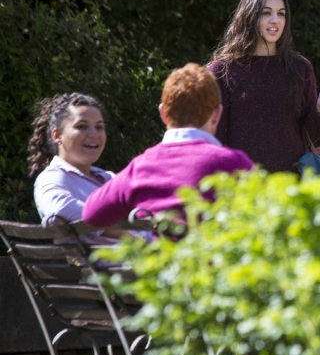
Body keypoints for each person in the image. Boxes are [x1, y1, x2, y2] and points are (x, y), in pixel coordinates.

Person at [82, 63, 254, 230]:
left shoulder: (141, 167)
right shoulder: (234, 164)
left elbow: (91, 214)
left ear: (163, 114)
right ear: (217, 115)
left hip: (159, 257)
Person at [207, 0, 320, 173]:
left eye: (281, 14)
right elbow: (215, 137)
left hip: (289, 186)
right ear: (249, 17)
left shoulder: (300, 68)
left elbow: (308, 136)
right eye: (266, 13)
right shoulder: (222, 70)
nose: (275, 20)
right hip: (242, 187)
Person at [28, 93, 133, 245]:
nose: (94, 134)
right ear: (57, 135)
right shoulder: (52, 178)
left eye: (99, 127)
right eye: (81, 126)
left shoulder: (109, 177)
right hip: (110, 266)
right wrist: (130, 236)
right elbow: (60, 210)